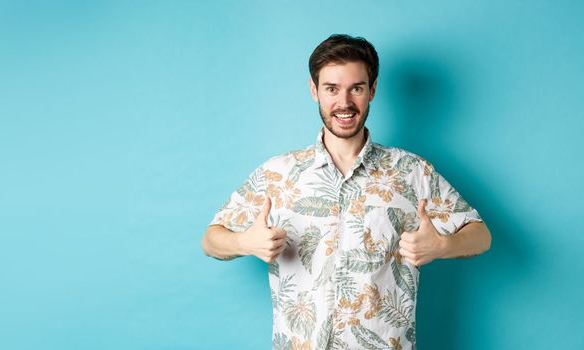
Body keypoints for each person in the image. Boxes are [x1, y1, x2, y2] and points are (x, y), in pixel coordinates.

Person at [201, 34, 491, 350]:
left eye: (356, 88)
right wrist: (244, 241)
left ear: (373, 90)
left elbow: (481, 235)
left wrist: (441, 246)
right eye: (332, 89)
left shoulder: (412, 171)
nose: (345, 102)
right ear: (314, 91)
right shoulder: (278, 173)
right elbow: (211, 240)